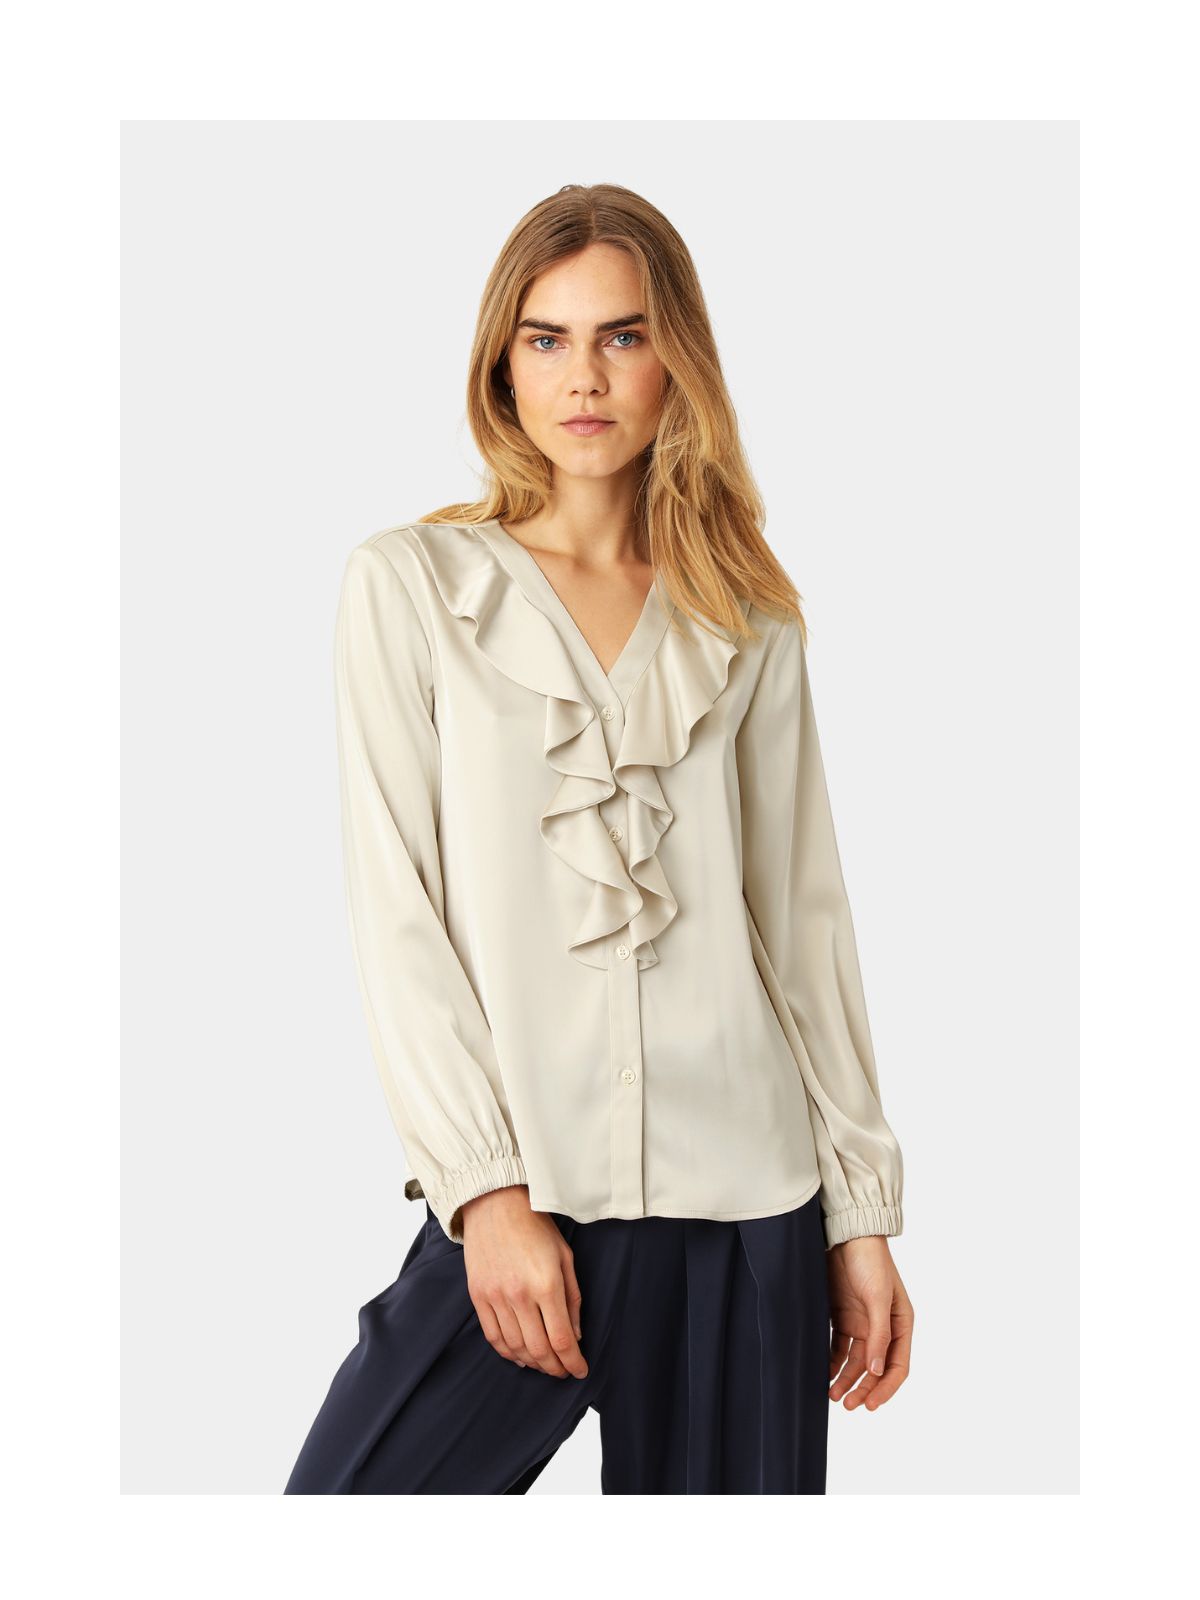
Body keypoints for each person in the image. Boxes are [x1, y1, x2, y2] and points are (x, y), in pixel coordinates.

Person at [284, 182, 914, 1496]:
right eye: (548, 338)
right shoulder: (412, 588)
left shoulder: (748, 616)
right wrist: (484, 1192)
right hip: (527, 1204)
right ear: (502, 365)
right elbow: (398, 913)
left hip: (749, 1214)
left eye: (624, 336)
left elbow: (801, 925)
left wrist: (858, 1217)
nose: (585, 376)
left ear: (675, 359)